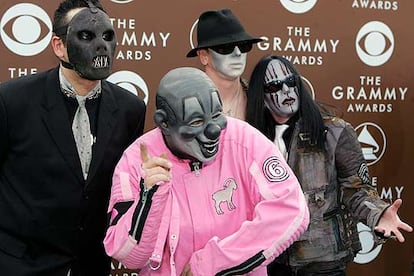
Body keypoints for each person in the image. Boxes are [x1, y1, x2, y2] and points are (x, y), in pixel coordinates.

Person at [104, 67, 310, 275]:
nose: (213, 130)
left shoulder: (243, 140)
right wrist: (148, 200)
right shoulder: (137, 159)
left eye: (216, 115)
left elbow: (291, 209)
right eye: (196, 122)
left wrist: (212, 263)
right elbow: (128, 256)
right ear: (164, 123)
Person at [0, 0, 146, 275]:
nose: (101, 46)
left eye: (107, 36)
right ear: (59, 46)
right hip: (20, 264)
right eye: (86, 35)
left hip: (90, 265)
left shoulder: (131, 109)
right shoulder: (12, 101)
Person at [246, 55, 413, 275]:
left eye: (291, 82)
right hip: (270, 259)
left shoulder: (334, 132)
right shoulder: (250, 139)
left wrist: (379, 214)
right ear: (262, 96)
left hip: (322, 261)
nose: (286, 90)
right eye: (275, 85)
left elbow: (357, 190)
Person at [186, 8, 262, 121]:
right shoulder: (184, 102)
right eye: (226, 47)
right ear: (203, 56)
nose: (237, 53)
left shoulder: (260, 100)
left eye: (243, 46)